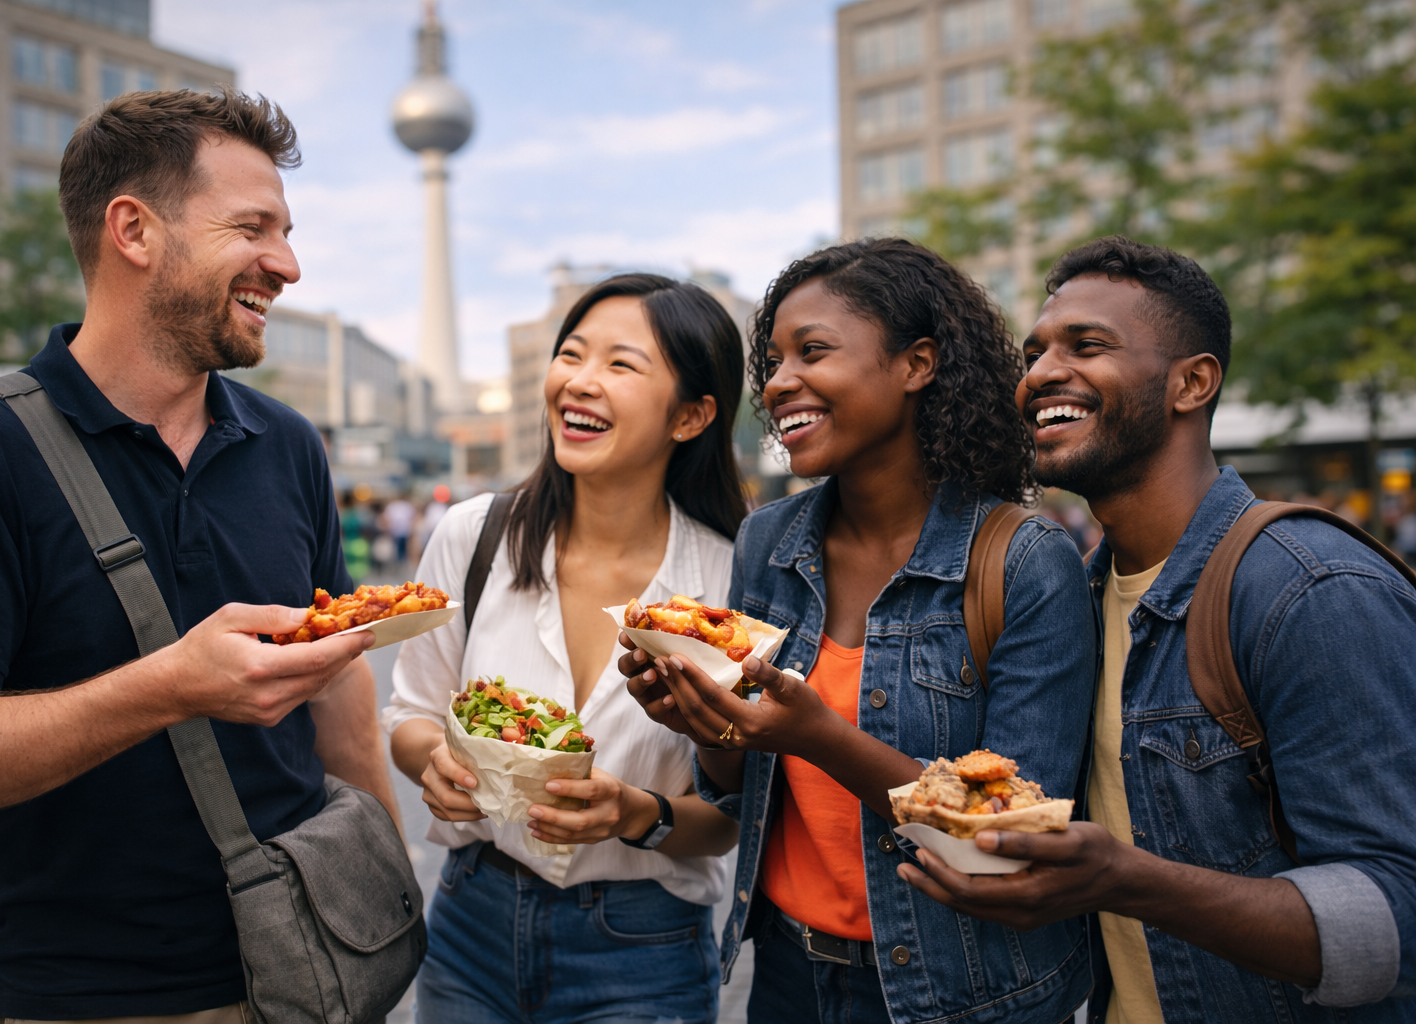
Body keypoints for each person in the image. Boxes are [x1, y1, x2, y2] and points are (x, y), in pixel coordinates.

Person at [0, 90, 392, 1023]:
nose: (288, 264)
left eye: (286, 232)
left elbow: (343, 702)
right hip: (82, 999)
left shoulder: (289, 443)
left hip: (312, 976)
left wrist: (388, 911)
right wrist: (170, 685)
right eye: (254, 227)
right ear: (133, 230)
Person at [898, 236, 1416, 1022]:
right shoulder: (1078, 594)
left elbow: (1396, 918)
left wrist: (1125, 879)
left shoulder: (1309, 588)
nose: (1038, 375)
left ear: (1192, 383)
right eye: (1034, 353)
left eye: (1088, 345)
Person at [622, 238, 1098, 1023]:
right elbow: (740, 783)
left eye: (812, 351)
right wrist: (699, 715)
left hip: (961, 990)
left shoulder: (1023, 562)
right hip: (786, 974)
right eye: (771, 362)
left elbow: (1012, 838)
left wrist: (819, 736)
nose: (778, 384)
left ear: (917, 364)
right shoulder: (767, 543)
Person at [384, 274, 746, 1024]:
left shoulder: (729, 584)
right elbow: (411, 715)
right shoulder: (474, 535)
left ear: (692, 415)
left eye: (621, 364)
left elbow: (734, 816)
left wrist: (633, 813)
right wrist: (434, 763)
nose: (578, 382)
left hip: (642, 953)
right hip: (469, 925)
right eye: (572, 355)